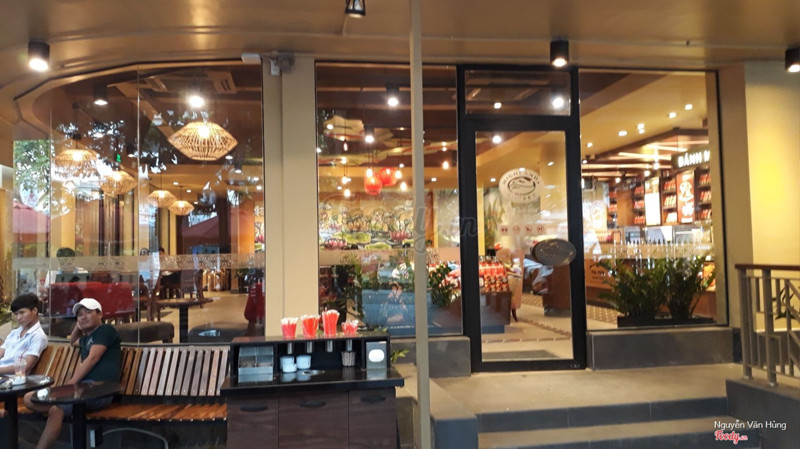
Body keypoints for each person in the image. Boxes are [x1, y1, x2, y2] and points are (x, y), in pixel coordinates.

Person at [24, 298, 121, 449]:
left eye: (88, 312)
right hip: (82, 391)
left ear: (100, 314)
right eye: (79, 315)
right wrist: (79, 325)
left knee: (57, 409)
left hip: (101, 390)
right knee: (29, 398)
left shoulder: (105, 330)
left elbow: (93, 359)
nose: (83, 317)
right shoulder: (86, 339)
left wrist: (70, 384)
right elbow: (73, 340)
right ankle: (62, 411)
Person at [0, 294, 48, 375]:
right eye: (16, 314)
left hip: (13, 379)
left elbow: (24, 367)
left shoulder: (38, 336)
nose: (18, 318)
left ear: (34, 310)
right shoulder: (14, 333)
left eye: (22, 312)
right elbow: (1, 351)